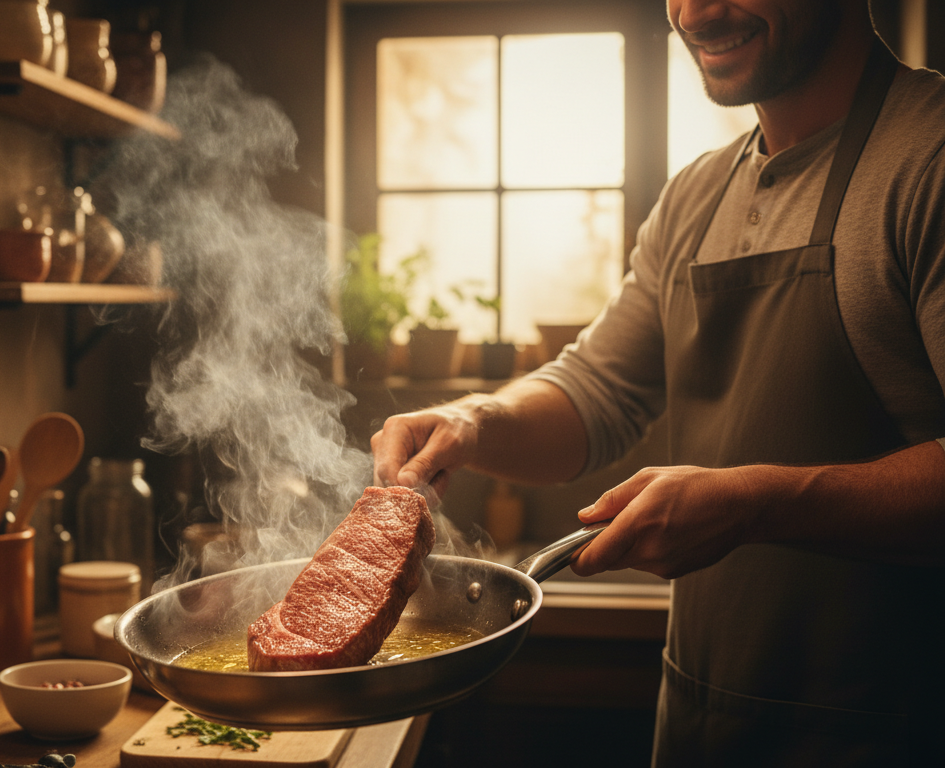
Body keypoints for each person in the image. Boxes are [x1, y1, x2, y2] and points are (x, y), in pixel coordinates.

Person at [371, 0, 945, 764]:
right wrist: (474, 419)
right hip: (706, 722)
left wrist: (752, 502)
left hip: (894, 728)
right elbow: (596, 391)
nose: (697, 11)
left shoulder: (929, 157)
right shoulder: (696, 196)